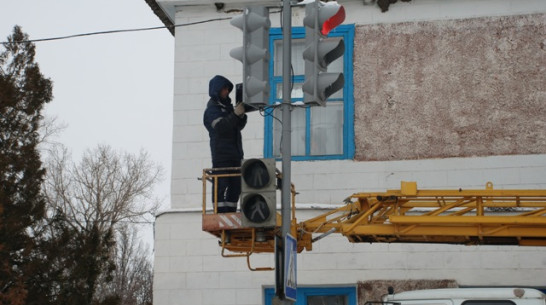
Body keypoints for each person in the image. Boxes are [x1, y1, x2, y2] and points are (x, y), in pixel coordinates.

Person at [203, 75, 247, 213]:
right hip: (221, 156)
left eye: (228, 89)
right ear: (217, 90)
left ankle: (231, 211)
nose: (227, 92)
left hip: (236, 154)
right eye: (224, 89)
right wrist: (235, 114)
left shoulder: (228, 108)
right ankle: (220, 213)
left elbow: (238, 126)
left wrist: (241, 114)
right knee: (221, 184)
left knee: (236, 185)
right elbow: (221, 128)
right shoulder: (211, 110)